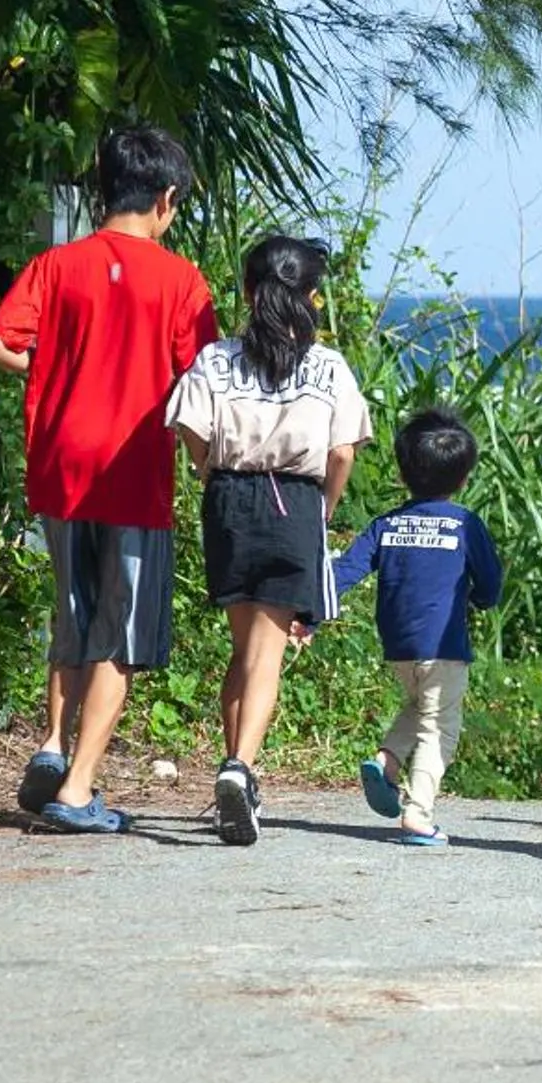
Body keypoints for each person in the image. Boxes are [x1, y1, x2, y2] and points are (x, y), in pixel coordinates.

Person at [0, 126, 220, 835]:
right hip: (130, 470)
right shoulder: (182, 281)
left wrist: (49, 373)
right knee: (121, 629)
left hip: (59, 462)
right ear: (167, 200)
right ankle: (78, 790)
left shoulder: (55, 265)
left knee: (74, 609)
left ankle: (53, 745)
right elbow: (199, 384)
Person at [164, 234, 371, 846]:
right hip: (296, 502)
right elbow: (340, 451)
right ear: (311, 299)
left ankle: (237, 774)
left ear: (249, 294)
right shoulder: (327, 366)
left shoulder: (217, 358)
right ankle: (241, 767)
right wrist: (324, 512)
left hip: (229, 499)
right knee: (269, 655)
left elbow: (191, 430)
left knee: (244, 649)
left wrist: (212, 475)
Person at [334, 407, 504, 847]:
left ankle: (386, 762)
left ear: (403, 472)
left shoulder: (386, 524)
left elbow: (344, 571)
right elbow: (491, 582)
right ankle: (418, 814)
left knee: (421, 705)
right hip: (443, 644)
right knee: (439, 727)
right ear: (463, 477)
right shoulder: (465, 524)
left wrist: (308, 612)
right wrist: (482, 600)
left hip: (398, 645)